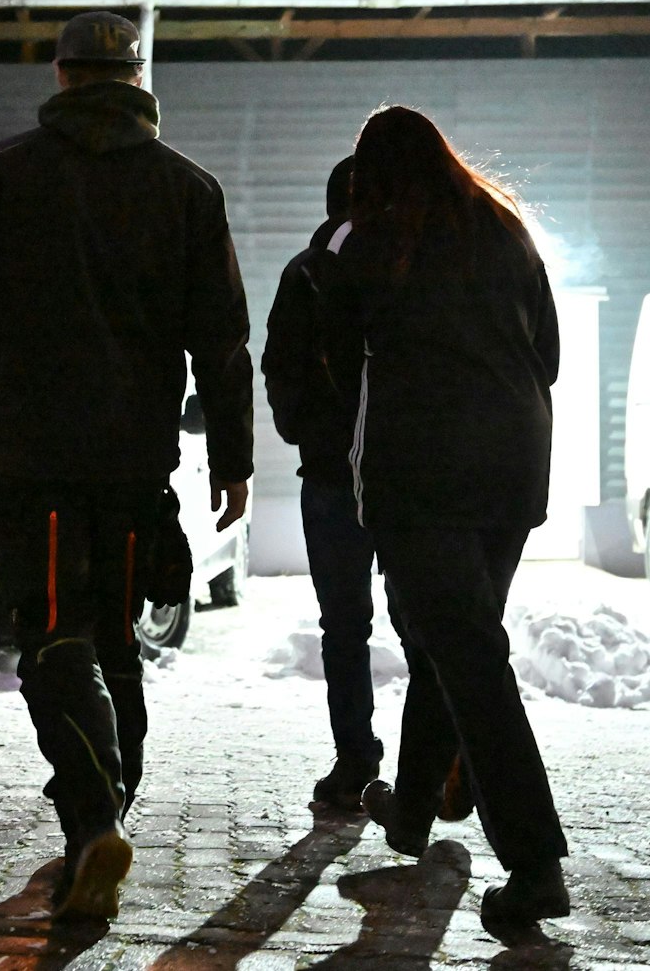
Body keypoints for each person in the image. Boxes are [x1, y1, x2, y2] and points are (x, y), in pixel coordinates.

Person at [0, 11, 255, 922]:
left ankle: (94, 817)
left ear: (62, 77)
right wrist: (233, 456)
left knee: (53, 636)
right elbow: (222, 340)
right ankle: (108, 812)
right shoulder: (189, 187)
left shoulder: (2, 174)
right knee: (113, 638)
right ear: (136, 77)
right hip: (137, 460)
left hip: (37, 457)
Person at [318, 106, 570, 941]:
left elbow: (335, 354)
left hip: (424, 473)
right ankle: (415, 808)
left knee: (469, 655)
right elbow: (552, 356)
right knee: (451, 638)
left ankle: (535, 864)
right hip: (513, 463)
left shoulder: (373, 241)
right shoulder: (506, 228)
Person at [261, 154, 385, 810]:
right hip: (397, 480)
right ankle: (432, 763)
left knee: (344, 623)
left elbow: (277, 364)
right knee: (420, 619)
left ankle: (357, 757)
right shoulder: (406, 263)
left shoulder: (306, 271)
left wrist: (307, 429)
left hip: (334, 477)